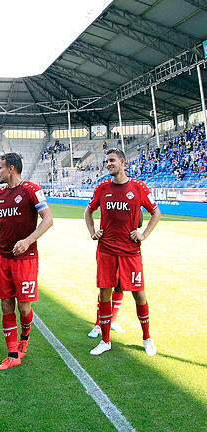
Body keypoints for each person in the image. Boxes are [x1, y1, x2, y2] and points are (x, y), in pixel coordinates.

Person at [0, 153, 53, 370]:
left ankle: (24, 338)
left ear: (11, 169)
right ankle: (12, 354)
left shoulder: (31, 190)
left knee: (24, 306)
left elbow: (48, 219)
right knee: (6, 304)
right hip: (3, 257)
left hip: (25, 259)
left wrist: (28, 241)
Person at [84, 148, 160, 356]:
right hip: (106, 250)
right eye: (106, 161)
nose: (108, 164)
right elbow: (88, 211)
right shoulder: (102, 188)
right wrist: (92, 232)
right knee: (105, 293)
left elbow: (156, 212)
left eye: (112, 160)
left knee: (139, 294)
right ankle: (106, 340)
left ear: (123, 162)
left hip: (130, 251)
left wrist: (143, 234)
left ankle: (146, 337)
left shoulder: (138, 187)